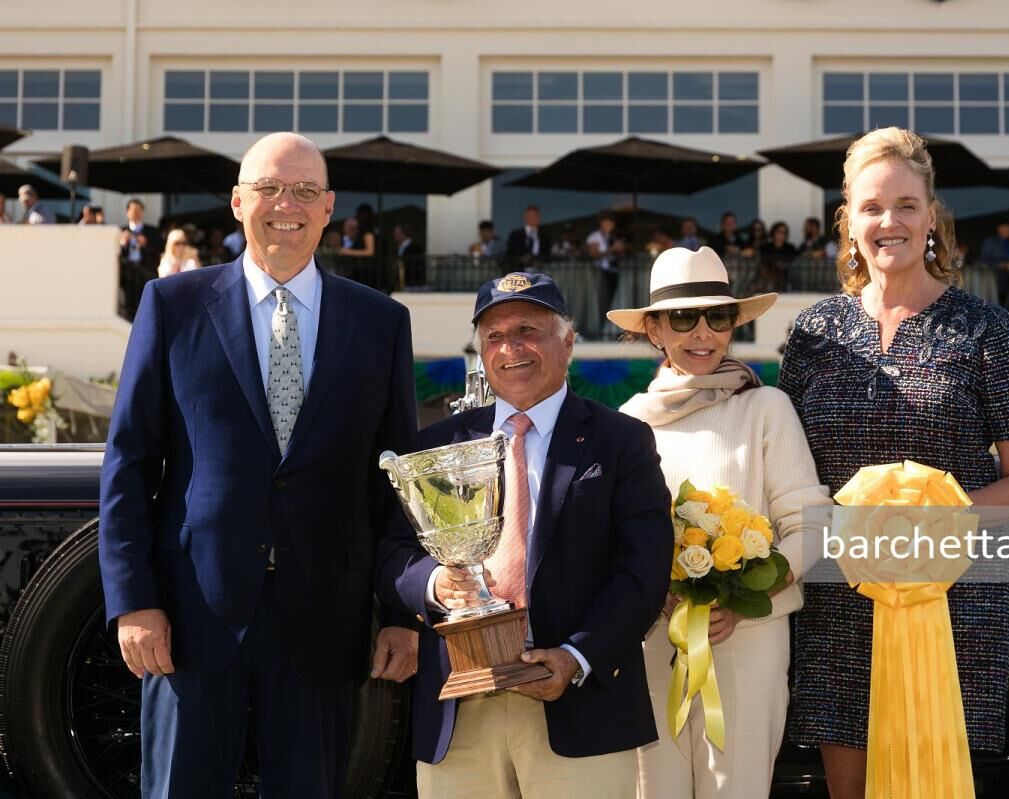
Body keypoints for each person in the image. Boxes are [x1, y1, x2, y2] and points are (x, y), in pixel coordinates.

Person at [99, 131, 420, 798]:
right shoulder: (171, 307)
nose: (287, 205)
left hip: (326, 618)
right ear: (238, 200)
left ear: (329, 206)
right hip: (190, 615)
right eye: (271, 188)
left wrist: (400, 612)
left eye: (305, 190)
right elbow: (129, 461)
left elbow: (396, 480)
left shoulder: (381, 322)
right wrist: (133, 599)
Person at [778, 127, 1009, 799]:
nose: (888, 221)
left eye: (905, 204)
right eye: (871, 206)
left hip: (950, 608)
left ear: (932, 215)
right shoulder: (811, 335)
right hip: (839, 607)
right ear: (849, 221)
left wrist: (928, 521)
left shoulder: (987, 329)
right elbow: (784, 473)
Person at [376, 271, 674, 799]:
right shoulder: (439, 445)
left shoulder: (621, 440)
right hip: (459, 711)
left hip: (579, 705)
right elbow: (394, 554)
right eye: (494, 336)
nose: (510, 348)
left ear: (567, 341)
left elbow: (643, 572)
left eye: (528, 330)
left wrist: (575, 658)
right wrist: (434, 583)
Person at [608, 246, 831, 799]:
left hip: (750, 642)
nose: (702, 332)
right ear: (655, 329)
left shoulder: (768, 408)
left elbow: (810, 526)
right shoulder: (626, 422)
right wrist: (653, 596)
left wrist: (742, 600)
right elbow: (610, 543)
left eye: (719, 317)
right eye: (684, 318)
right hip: (650, 643)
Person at [119, 198, 162, 318]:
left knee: (146, 301)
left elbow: (159, 250)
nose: (136, 213)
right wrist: (123, 243)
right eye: (133, 210)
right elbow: (117, 255)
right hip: (127, 273)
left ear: (143, 212)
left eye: (139, 210)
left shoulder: (152, 231)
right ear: (127, 213)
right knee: (129, 303)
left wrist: (145, 244)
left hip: (146, 271)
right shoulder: (121, 230)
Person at [980, 220, 1009, 307]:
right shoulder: (991, 242)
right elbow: (984, 260)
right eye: (1006, 228)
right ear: (999, 228)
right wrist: (1002, 265)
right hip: (994, 279)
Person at [757, 220, 797, 291]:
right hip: (768, 276)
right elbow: (762, 261)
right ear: (773, 232)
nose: (781, 235)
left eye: (784, 233)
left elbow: (793, 263)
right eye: (779, 232)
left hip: (785, 275)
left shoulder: (790, 248)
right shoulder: (765, 247)